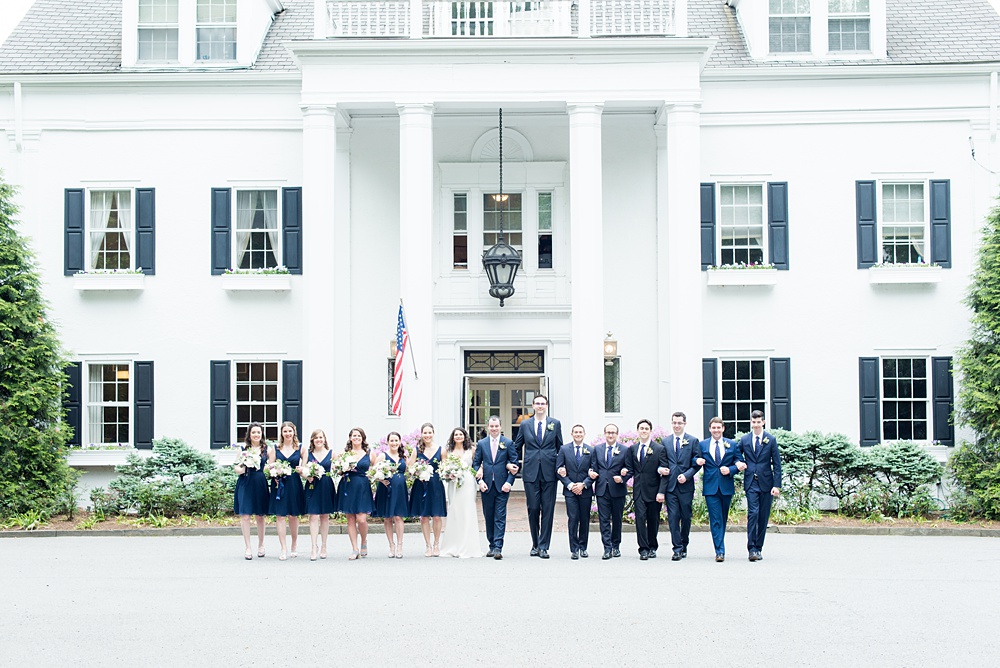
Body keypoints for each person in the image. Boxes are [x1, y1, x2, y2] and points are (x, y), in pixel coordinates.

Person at [513, 394, 562, 558]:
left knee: (548, 509)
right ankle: (535, 543)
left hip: (549, 472)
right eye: (537, 403)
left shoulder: (555, 424)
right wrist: (512, 463)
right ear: (533, 406)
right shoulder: (525, 424)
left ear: (546, 406)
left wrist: (561, 466)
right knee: (533, 508)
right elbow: (517, 446)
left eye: (543, 403)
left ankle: (544, 546)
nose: (540, 406)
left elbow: (560, 447)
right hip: (531, 472)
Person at [696, 417, 746, 562]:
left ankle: (720, 544)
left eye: (719, 427)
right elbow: (694, 459)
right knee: (715, 519)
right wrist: (697, 461)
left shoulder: (731, 444)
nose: (716, 430)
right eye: (714, 428)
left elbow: (739, 461)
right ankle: (719, 550)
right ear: (710, 429)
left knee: (723, 518)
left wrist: (730, 469)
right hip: (711, 487)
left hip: (726, 487)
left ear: (723, 428)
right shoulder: (703, 445)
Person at [738, 410, 782, 562]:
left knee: (763, 516)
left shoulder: (771, 440)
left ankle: (759, 547)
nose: (756, 425)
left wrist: (776, 485)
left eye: (758, 422)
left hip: (766, 483)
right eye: (753, 422)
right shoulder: (744, 439)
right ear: (751, 422)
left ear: (763, 422)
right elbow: (736, 454)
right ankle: (751, 548)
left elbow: (777, 464)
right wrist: (739, 463)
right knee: (753, 513)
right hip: (751, 482)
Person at [658, 411, 702, 561]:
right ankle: (676, 548)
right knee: (673, 517)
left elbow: (696, 463)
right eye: (674, 423)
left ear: (684, 424)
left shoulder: (693, 441)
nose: (676, 426)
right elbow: (662, 463)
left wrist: (687, 475)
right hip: (670, 487)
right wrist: (660, 470)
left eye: (679, 423)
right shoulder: (665, 442)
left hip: (686, 486)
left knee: (686, 517)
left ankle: (684, 544)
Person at [473, 415, 519, 560]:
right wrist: (479, 480)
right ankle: (491, 545)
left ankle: (498, 547)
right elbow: (475, 464)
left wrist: (509, 483)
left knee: (500, 517)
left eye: (496, 426)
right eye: (491, 426)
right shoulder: (481, 443)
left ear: (500, 427)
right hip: (486, 485)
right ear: (488, 427)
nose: (494, 429)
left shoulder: (508, 443)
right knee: (489, 516)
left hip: (502, 486)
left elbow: (515, 464)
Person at [625, 419, 668, 560]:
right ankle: (643, 549)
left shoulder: (659, 449)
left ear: (650, 431)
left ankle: (652, 546)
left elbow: (664, 473)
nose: (643, 431)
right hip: (638, 490)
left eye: (646, 428)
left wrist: (661, 492)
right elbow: (631, 469)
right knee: (640, 519)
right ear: (638, 431)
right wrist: (623, 475)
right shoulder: (633, 449)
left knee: (653, 519)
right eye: (641, 428)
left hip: (654, 490)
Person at [439, 427, 482, 558]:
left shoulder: (472, 450)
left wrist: (480, 470)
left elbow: (479, 463)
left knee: (467, 511)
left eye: (461, 434)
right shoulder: (447, 451)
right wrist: (448, 474)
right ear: (453, 437)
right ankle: (454, 546)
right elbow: (443, 467)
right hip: (454, 484)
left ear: (465, 436)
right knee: (455, 511)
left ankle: (468, 546)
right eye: (456, 435)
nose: (458, 436)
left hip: (468, 483)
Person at [590, 424, 631, 560]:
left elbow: (629, 469)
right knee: (604, 520)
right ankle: (607, 548)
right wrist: (591, 472)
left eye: (613, 432)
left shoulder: (625, 450)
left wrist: (623, 477)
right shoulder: (597, 449)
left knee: (617, 520)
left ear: (617, 434)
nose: (610, 435)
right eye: (608, 432)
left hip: (617, 490)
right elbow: (594, 467)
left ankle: (616, 546)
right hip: (602, 489)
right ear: (604, 434)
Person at [268, 421, 306, 561]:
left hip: (294, 484)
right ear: (281, 433)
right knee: (280, 516)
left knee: (293, 516)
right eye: (285, 431)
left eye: (290, 431)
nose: (288, 434)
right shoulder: (275, 448)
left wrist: (303, 470)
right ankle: (283, 547)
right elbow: (269, 467)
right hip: (279, 484)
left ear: (294, 432)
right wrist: (275, 473)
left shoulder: (301, 448)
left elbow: (305, 467)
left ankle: (294, 545)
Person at [555, 424, 594, 559]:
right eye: (575, 432)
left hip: (585, 491)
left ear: (584, 434)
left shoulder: (591, 450)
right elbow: (559, 470)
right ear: (572, 434)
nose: (578, 434)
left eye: (580, 432)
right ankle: (574, 548)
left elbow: (594, 471)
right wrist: (571, 485)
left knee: (584, 519)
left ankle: (583, 547)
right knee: (573, 519)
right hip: (570, 491)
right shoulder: (564, 449)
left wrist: (583, 484)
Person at [233, 422, 271, 560]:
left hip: (260, 482)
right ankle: (248, 547)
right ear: (249, 434)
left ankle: (261, 545)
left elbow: (270, 466)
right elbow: (236, 467)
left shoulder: (267, 449)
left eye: (258, 432)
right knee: (245, 515)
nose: (256, 435)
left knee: (260, 515)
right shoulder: (242, 449)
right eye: (253, 432)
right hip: (246, 481)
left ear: (262, 434)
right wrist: (242, 469)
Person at [409, 422, 446, 557]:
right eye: (425, 433)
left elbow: (445, 467)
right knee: (424, 517)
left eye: (429, 432)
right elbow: (410, 468)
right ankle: (428, 545)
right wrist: (417, 471)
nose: (427, 435)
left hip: (436, 485)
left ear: (433, 433)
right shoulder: (416, 450)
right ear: (421, 434)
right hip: (421, 486)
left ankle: (436, 544)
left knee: (436, 516)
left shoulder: (441, 450)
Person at [339, 427, 373, 561]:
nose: (356, 438)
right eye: (354, 435)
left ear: (362, 438)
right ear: (350, 438)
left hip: (363, 487)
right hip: (348, 485)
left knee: (362, 519)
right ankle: (354, 549)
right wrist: (342, 468)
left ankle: (364, 541)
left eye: (359, 435)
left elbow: (375, 469)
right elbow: (339, 470)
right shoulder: (345, 454)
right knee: (350, 519)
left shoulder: (369, 453)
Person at [373, 431, 408, 558]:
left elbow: (408, 471)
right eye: (391, 441)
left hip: (400, 490)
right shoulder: (382, 456)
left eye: (396, 440)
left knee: (398, 517)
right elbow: (372, 472)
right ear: (388, 442)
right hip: (386, 489)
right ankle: (391, 545)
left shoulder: (403, 457)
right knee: (387, 517)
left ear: (400, 442)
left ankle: (399, 545)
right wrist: (381, 479)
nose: (394, 443)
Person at [303, 428, 337, 561]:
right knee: (313, 516)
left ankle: (324, 546)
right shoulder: (308, 453)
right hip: (313, 485)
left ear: (324, 439)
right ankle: (313, 546)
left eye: (321, 437)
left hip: (326, 485)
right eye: (316, 437)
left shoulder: (332, 453)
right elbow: (302, 468)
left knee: (324, 516)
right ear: (313, 440)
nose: (319, 440)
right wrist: (307, 476)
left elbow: (339, 467)